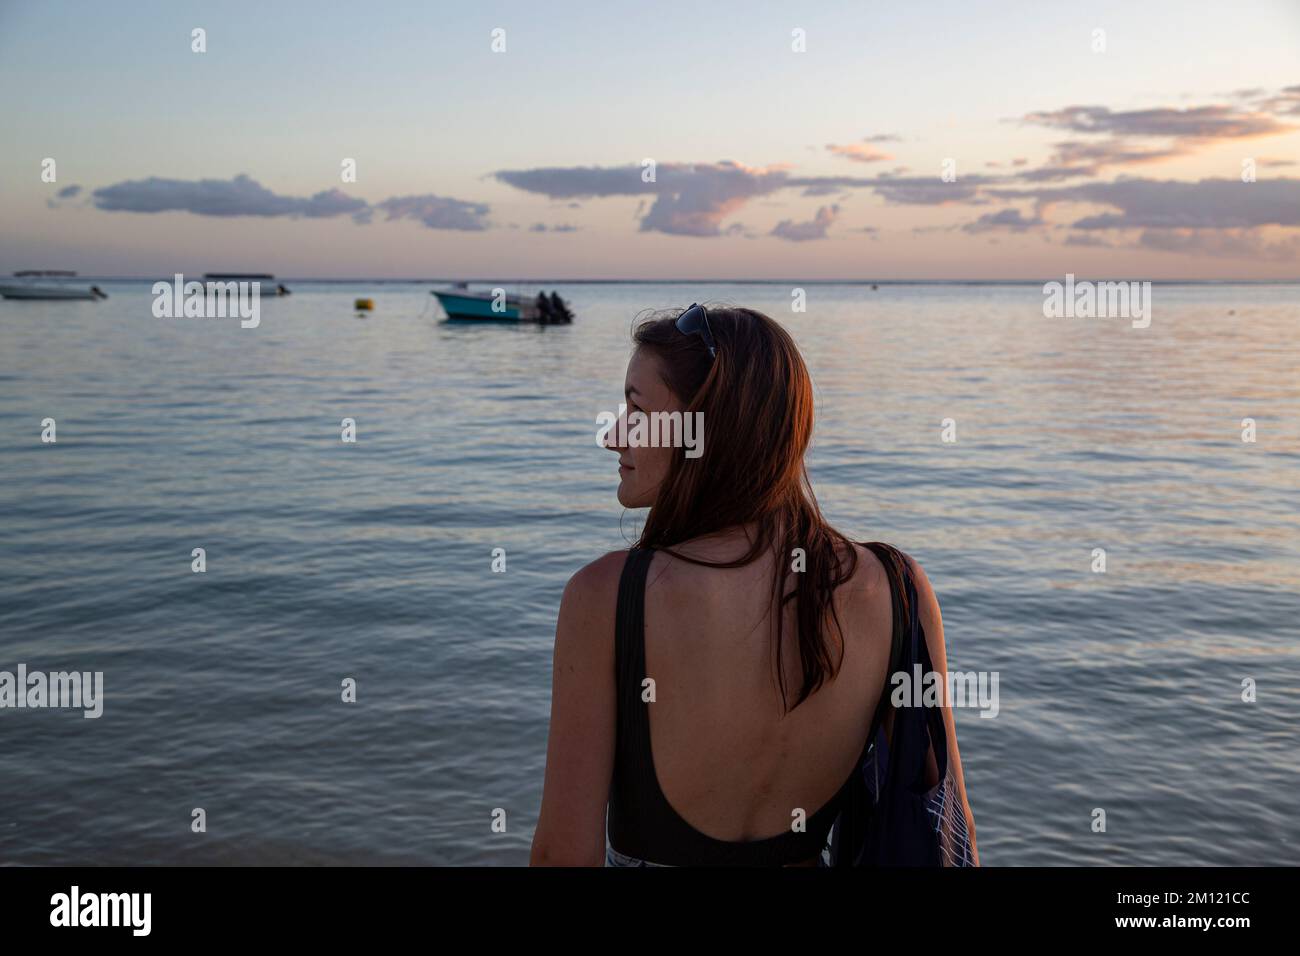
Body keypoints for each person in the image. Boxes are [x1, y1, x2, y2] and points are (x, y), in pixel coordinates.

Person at [530, 304, 977, 866]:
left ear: (704, 429)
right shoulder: (898, 590)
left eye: (636, 410)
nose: (612, 435)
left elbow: (560, 855)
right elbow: (948, 829)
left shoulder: (608, 597)